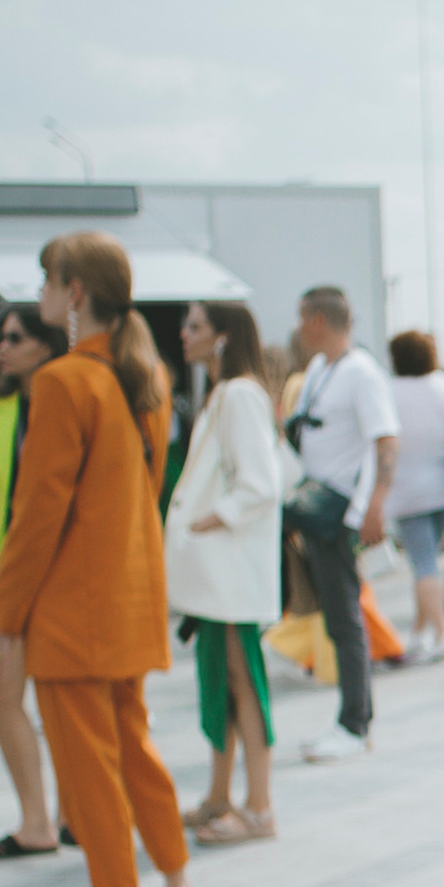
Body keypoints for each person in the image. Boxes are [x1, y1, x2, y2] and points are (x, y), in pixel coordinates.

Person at [0, 235, 207, 887]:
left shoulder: (62, 383)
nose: (42, 296)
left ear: (74, 291)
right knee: (138, 755)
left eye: (48, 282)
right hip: (128, 599)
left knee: (91, 777)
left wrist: (5, 613)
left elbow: (38, 514)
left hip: (72, 612)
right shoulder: (141, 374)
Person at [167, 302, 282, 843]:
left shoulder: (238, 395)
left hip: (231, 569)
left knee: (242, 680)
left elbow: (261, 482)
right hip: (217, 572)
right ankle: (221, 795)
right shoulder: (225, 394)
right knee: (221, 680)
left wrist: (214, 519)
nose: (183, 334)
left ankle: (259, 806)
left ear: (222, 336)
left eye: (194, 325)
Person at [0, 306, 63, 857]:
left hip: (55, 578)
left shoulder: (63, 400)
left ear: (44, 347)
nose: (2, 347)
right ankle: (36, 820)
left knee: (60, 695)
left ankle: (68, 816)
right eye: (1, 338)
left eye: (15, 338)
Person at [282, 286, 397, 762]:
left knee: (345, 617)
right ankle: (351, 717)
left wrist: (374, 507)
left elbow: (386, 443)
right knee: (335, 615)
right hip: (314, 505)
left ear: (316, 321)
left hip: (339, 513)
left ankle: (355, 721)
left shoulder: (361, 374)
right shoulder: (319, 370)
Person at [384, 331, 444, 663]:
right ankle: (418, 634)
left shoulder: (389, 391)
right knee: (427, 564)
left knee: (423, 564)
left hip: (406, 489)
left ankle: (441, 633)